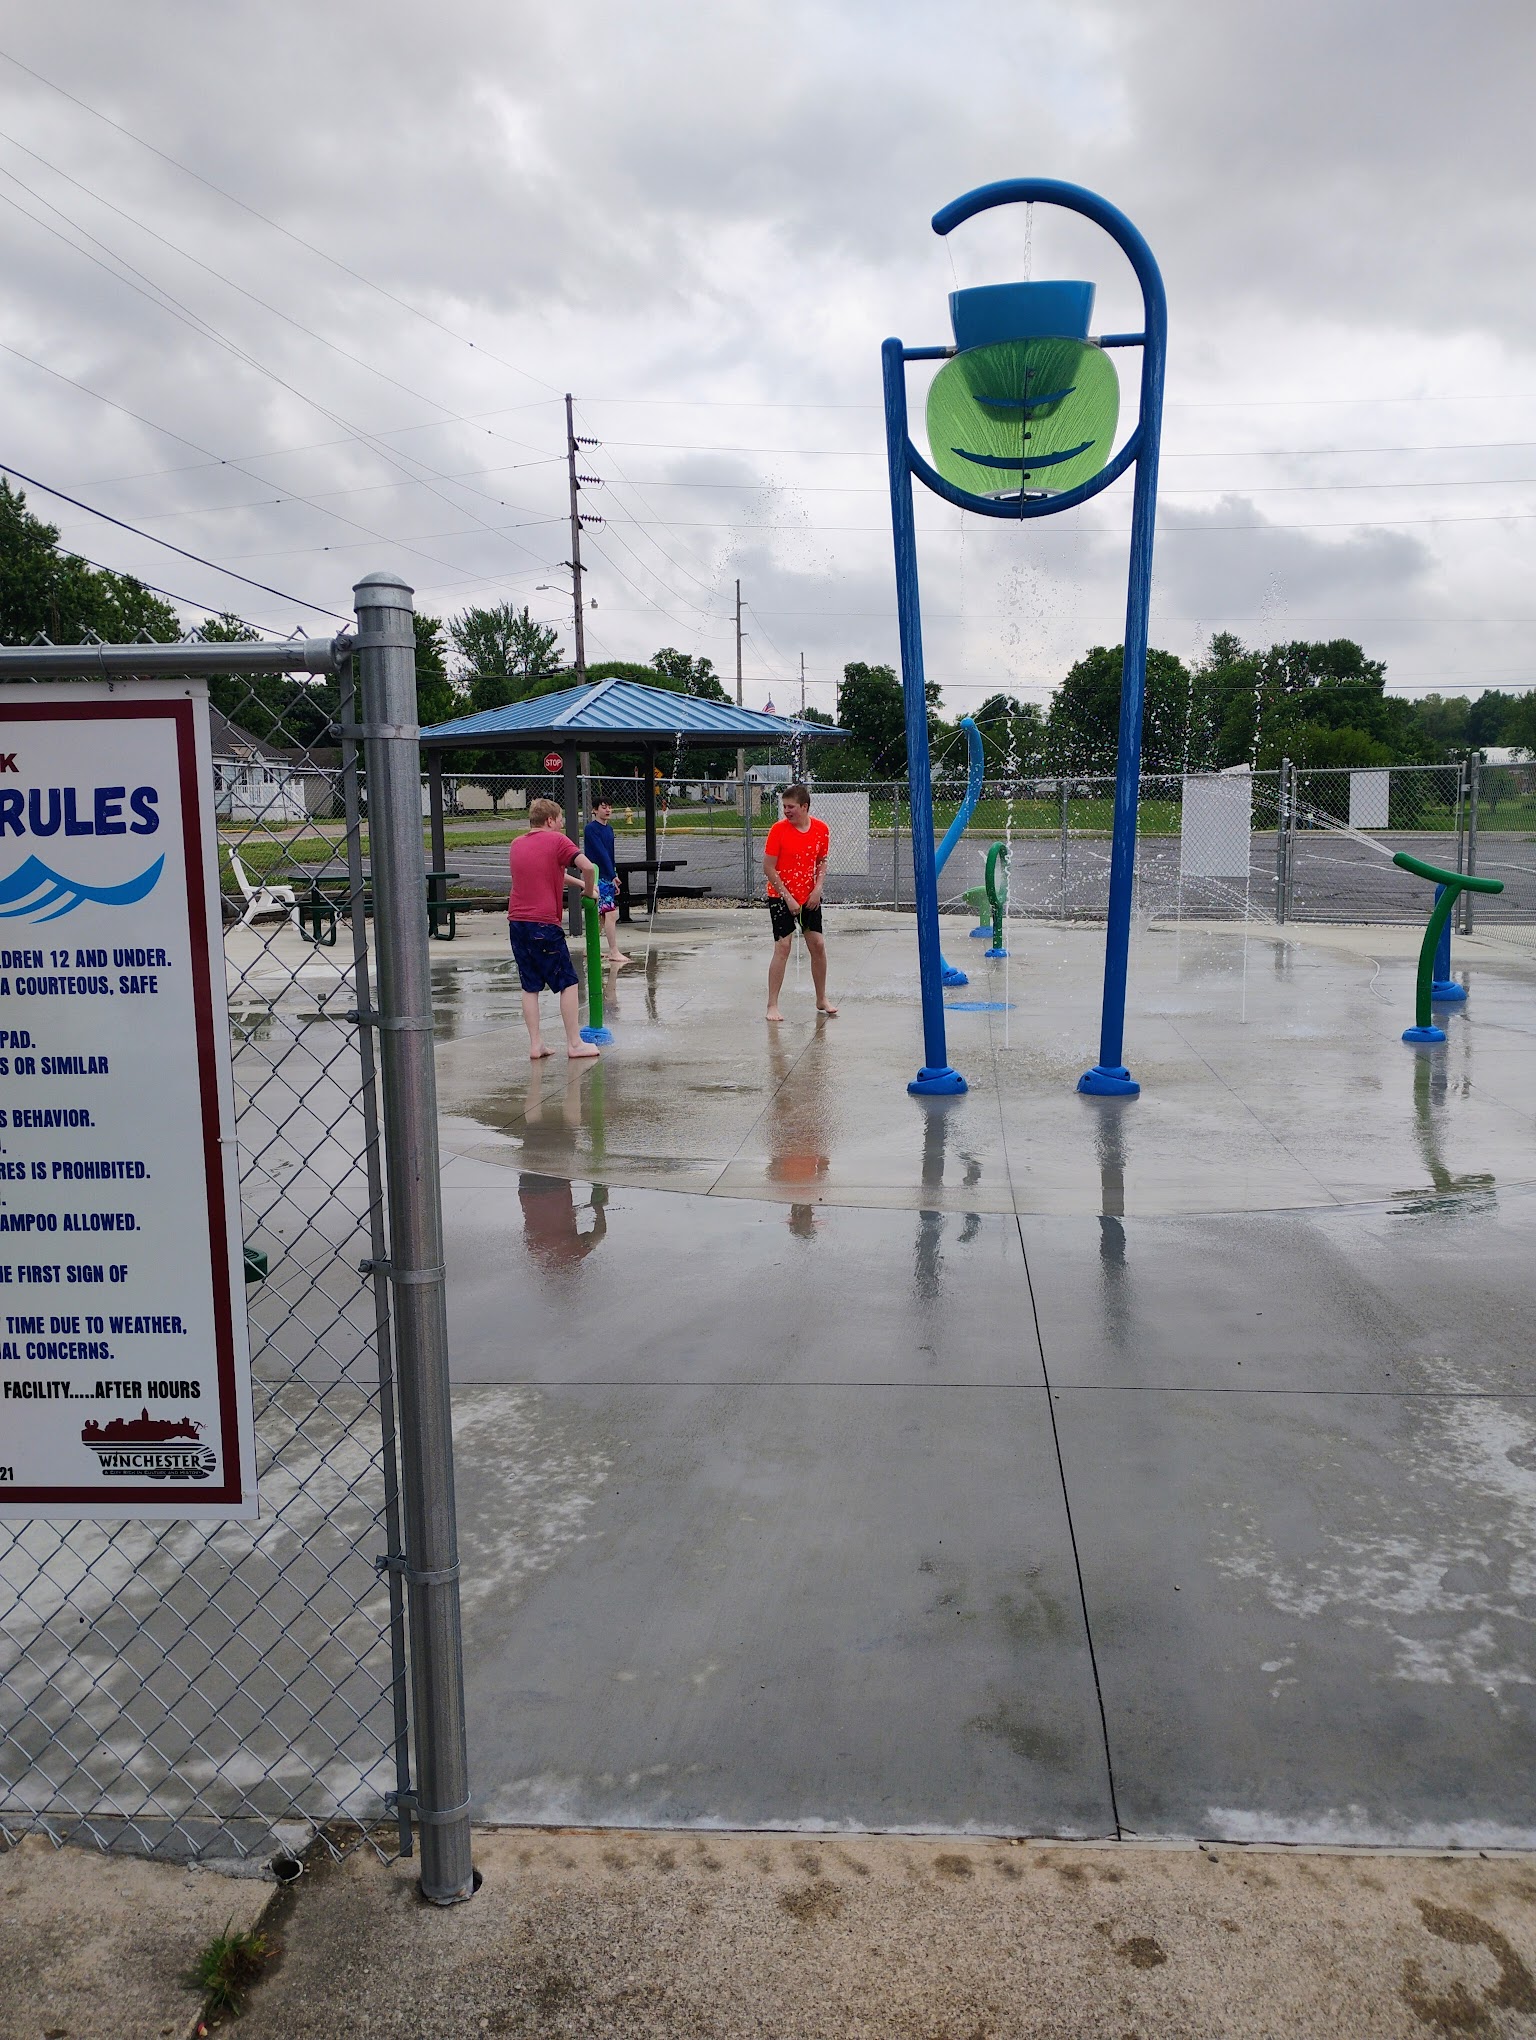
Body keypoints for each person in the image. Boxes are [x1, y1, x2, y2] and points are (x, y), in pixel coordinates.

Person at [508, 797, 601, 1060]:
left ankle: (536, 1044)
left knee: (530, 986)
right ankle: (575, 1043)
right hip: (543, 923)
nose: (561, 825)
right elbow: (587, 866)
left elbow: (550, 871)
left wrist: (579, 885)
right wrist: (590, 889)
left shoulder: (517, 844)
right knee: (568, 982)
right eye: (560, 820)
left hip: (517, 922)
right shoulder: (557, 841)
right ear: (550, 820)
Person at [762, 782, 837, 1022]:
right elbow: (768, 868)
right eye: (784, 806)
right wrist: (789, 898)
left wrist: (817, 889)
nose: (786, 811)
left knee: (818, 945)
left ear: (804, 807)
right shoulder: (778, 830)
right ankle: (772, 1005)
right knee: (783, 947)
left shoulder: (821, 829)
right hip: (780, 897)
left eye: (791, 807)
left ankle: (821, 998)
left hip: (809, 896)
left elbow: (822, 861)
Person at [582, 796, 631, 966]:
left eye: (609, 807)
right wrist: (611, 875)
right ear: (595, 810)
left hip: (608, 876)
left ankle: (589, 948)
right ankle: (613, 951)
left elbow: (610, 854)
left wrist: (613, 874)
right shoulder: (591, 829)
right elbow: (601, 853)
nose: (608, 810)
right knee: (610, 913)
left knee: (603, 917)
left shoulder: (609, 829)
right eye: (603, 807)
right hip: (597, 876)